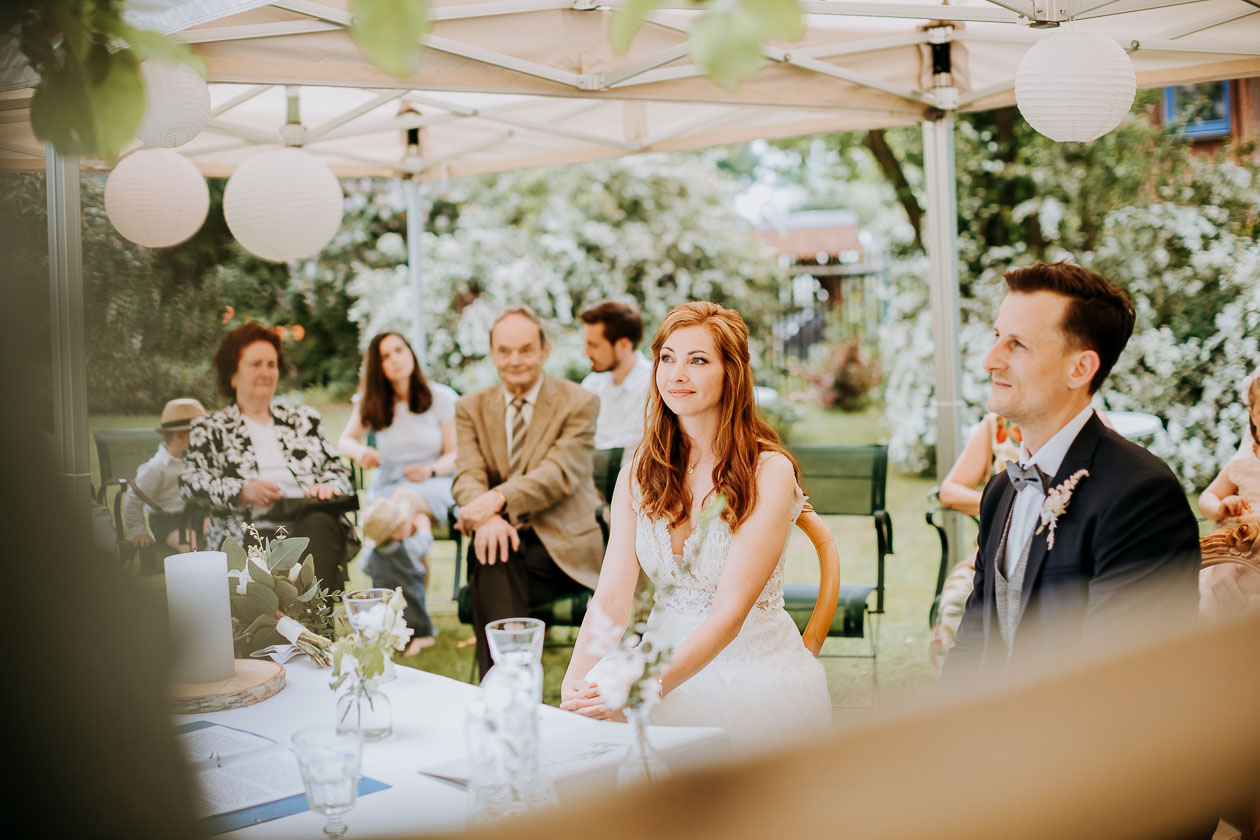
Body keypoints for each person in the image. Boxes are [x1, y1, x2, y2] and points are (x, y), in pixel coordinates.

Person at [559, 301, 831, 746]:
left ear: (731, 373)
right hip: (654, 657)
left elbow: (728, 615)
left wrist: (643, 689)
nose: (676, 375)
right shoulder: (639, 471)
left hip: (750, 672)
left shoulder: (768, 471)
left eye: (697, 360)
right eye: (667, 358)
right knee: (584, 745)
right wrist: (576, 680)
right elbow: (610, 599)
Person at [943, 262, 1201, 684]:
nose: (991, 361)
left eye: (1017, 345)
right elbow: (973, 644)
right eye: (996, 338)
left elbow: (1119, 681)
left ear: (1079, 368)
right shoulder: (999, 490)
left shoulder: (1141, 496)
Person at [452, 305, 604, 677]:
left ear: (544, 351)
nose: (515, 360)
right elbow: (468, 475)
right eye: (504, 351)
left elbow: (558, 474)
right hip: (503, 541)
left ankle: (504, 687)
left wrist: (494, 501)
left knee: (489, 563)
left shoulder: (578, 402)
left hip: (564, 550)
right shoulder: (470, 408)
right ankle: (518, 678)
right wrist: (488, 520)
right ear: (492, 354)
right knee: (494, 553)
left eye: (525, 349)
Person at [181, 322, 358, 589]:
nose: (266, 372)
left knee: (322, 525)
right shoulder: (210, 429)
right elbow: (189, 483)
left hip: (307, 520)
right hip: (248, 527)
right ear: (233, 374)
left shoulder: (302, 420)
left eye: (271, 364)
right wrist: (242, 490)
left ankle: (312, 622)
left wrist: (328, 486)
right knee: (262, 544)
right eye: (256, 364)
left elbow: (338, 470)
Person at [928, 413, 1021, 672]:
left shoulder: (1087, 420)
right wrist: (1004, 502)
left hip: (1058, 554)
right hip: (993, 557)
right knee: (956, 603)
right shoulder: (997, 424)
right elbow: (950, 490)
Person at [339, 331, 458, 529]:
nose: (395, 359)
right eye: (386, 356)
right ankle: (409, 552)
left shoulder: (442, 398)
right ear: (378, 366)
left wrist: (429, 471)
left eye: (399, 350)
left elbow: (454, 454)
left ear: (410, 353)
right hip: (389, 485)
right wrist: (361, 452)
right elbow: (345, 442)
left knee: (399, 506)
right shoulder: (371, 403)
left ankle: (373, 552)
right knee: (417, 525)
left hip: (436, 483)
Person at [123, 398, 207, 562]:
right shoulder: (156, 468)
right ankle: (197, 578)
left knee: (224, 532)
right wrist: (139, 530)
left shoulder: (197, 459)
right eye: (199, 434)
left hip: (196, 514)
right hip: (168, 521)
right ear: (180, 435)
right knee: (190, 544)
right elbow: (133, 500)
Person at [361, 492, 438, 655]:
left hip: (387, 619)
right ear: (396, 533)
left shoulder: (371, 556)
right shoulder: (410, 549)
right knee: (428, 636)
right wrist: (424, 524)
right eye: (405, 522)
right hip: (416, 616)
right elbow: (425, 541)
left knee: (389, 632)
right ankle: (419, 642)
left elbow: (364, 567)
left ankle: (393, 643)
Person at [579, 299, 652, 452]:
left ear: (624, 345)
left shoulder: (655, 387)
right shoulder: (591, 384)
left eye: (594, 345)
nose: (586, 353)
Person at [1199, 376, 1260, 533]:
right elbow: (1209, 496)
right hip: (1239, 547)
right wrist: (1219, 508)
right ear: (1253, 416)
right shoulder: (1244, 460)